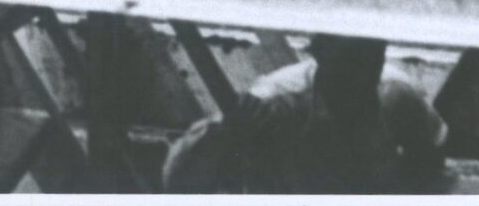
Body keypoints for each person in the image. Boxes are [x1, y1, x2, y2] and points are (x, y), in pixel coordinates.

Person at [159, 34, 449, 194]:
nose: (359, 74)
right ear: (319, 53)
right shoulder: (274, 105)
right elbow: (178, 182)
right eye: (348, 62)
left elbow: (430, 160)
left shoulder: (396, 95)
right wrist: (224, 138)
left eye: (370, 57)